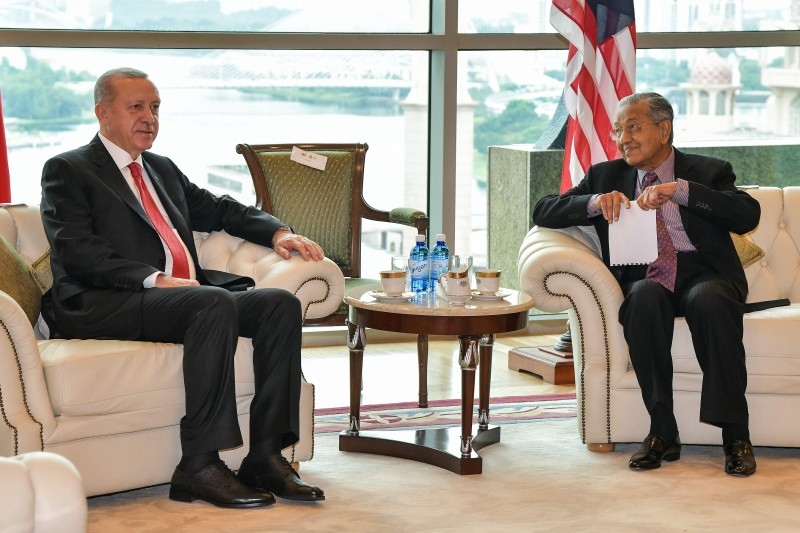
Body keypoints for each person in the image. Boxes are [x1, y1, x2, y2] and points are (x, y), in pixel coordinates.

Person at [40, 67, 327, 508]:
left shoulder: (160, 168)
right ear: (103, 113)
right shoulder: (69, 169)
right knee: (210, 303)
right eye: (135, 107)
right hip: (105, 301)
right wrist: (155, 280)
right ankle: (198, 466)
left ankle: (266, 456)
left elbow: (218, 209)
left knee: (276, 305)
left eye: (154, 108)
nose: (149, 118)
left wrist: (276, 232)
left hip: (181, 298)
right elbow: (78, 253)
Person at [532, 92, 760, 476]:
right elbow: (543, 209)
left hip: (703, 272)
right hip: (646, 274)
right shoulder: (604, 176)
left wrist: (681, 191)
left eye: (633, 128)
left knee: (709, 299)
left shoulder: (708, 170)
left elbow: (746, 213)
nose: (623, 139)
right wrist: (594, 202)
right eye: (619, 131)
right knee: (641, 297)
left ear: (664, 128)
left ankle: (736, 435)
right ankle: (661, 430)